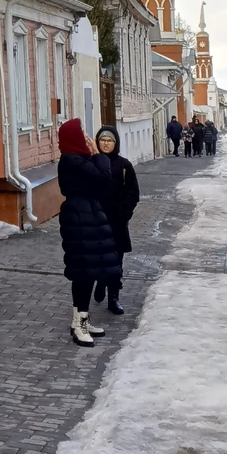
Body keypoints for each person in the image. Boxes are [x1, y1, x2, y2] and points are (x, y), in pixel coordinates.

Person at [57, 119, 120, 347]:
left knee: (88, 269)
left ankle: (80, 320)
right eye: (81, 131)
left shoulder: (77, 159)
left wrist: (93, 157)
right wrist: (98, 155)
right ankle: (79, 324)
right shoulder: (72, 161)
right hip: (80, 217)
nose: (86, 135)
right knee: (83, 272)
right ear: (73, 137)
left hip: (87, 214)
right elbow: (104, 177)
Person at [92, 125, 139, 314]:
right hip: (96, 221)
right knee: (97, 257)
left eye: (109, 140)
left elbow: (133, 193)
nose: (106, 143)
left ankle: (114, 297)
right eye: (102, 140)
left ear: (116, 143)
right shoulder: (92, 162)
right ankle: (100, 281)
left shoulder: (124, 165)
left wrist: (124, 213)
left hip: (117, 221)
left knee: (116, 259)